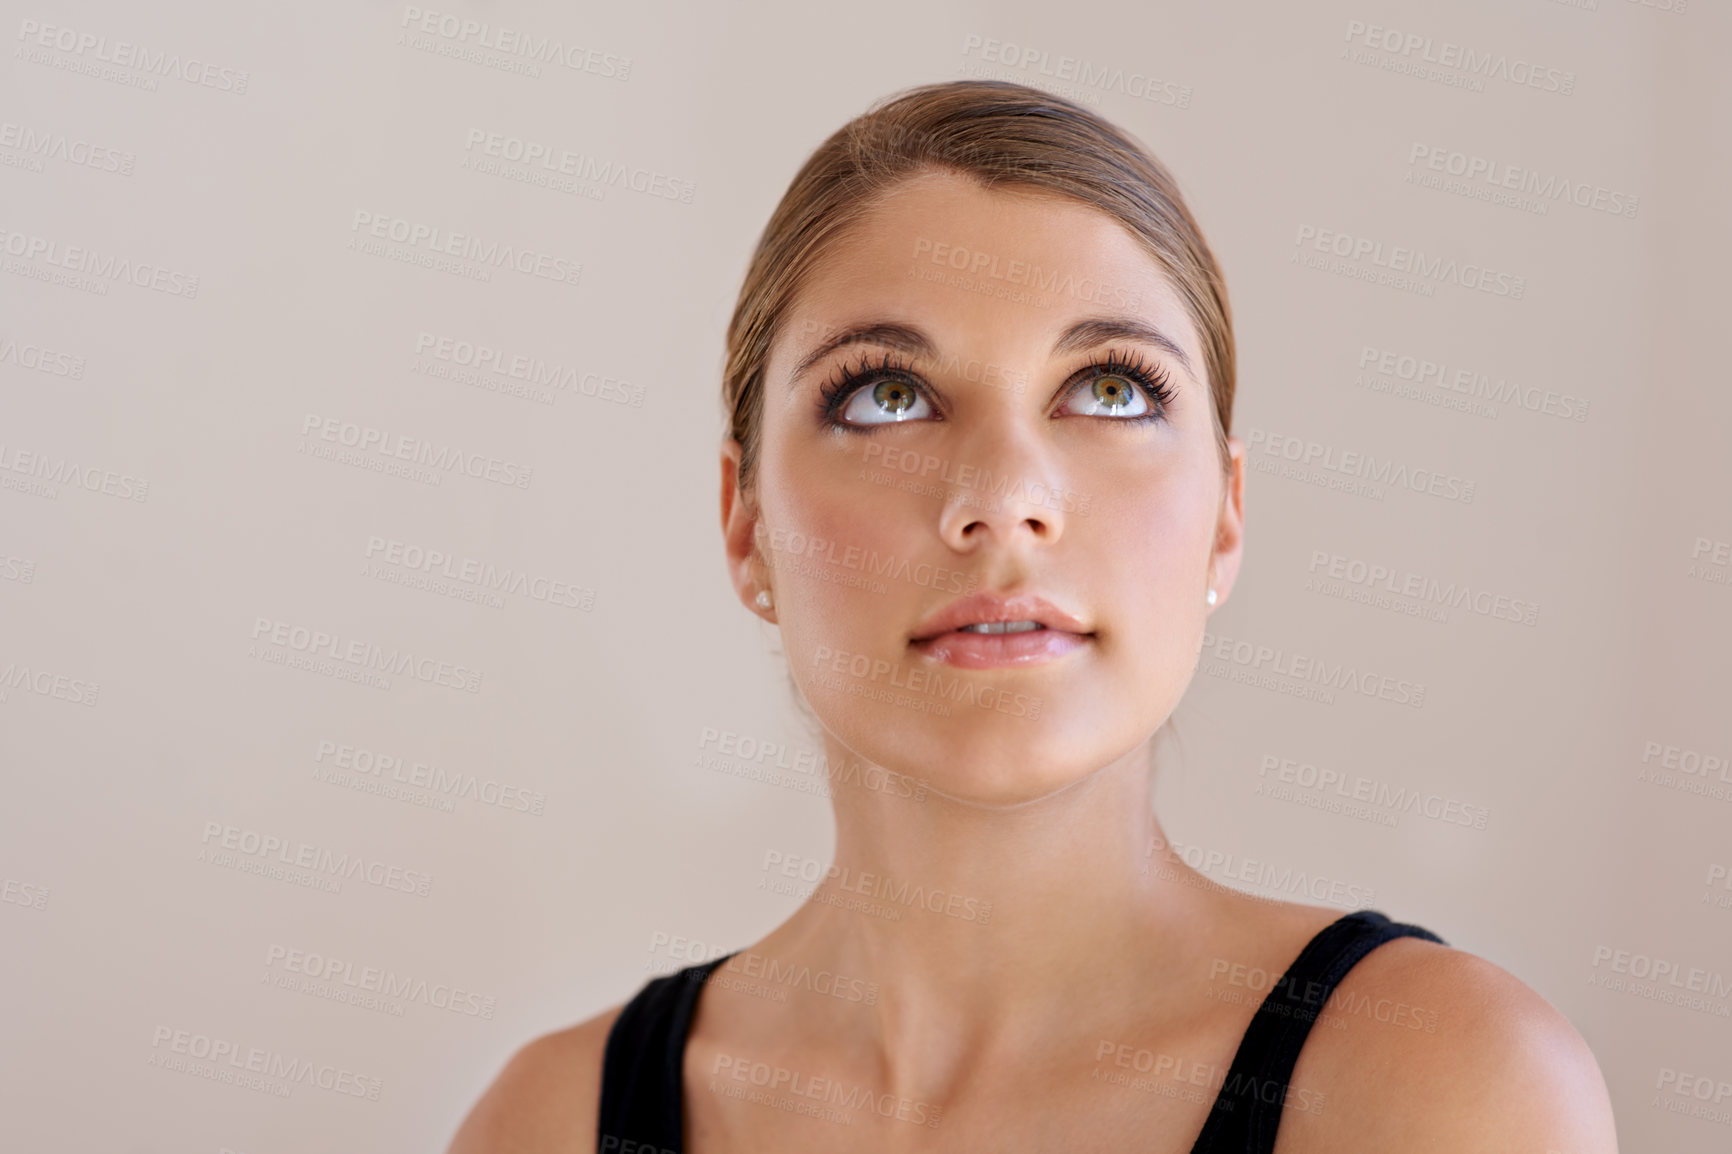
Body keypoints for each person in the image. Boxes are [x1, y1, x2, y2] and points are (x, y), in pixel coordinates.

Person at [447, 80, 1617, 1154]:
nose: (1002, 499)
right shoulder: (545, 1122)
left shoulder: (1437, 1088)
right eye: (887, 395)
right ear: (746, 521)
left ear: (1226, 513)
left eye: (1109, 389)